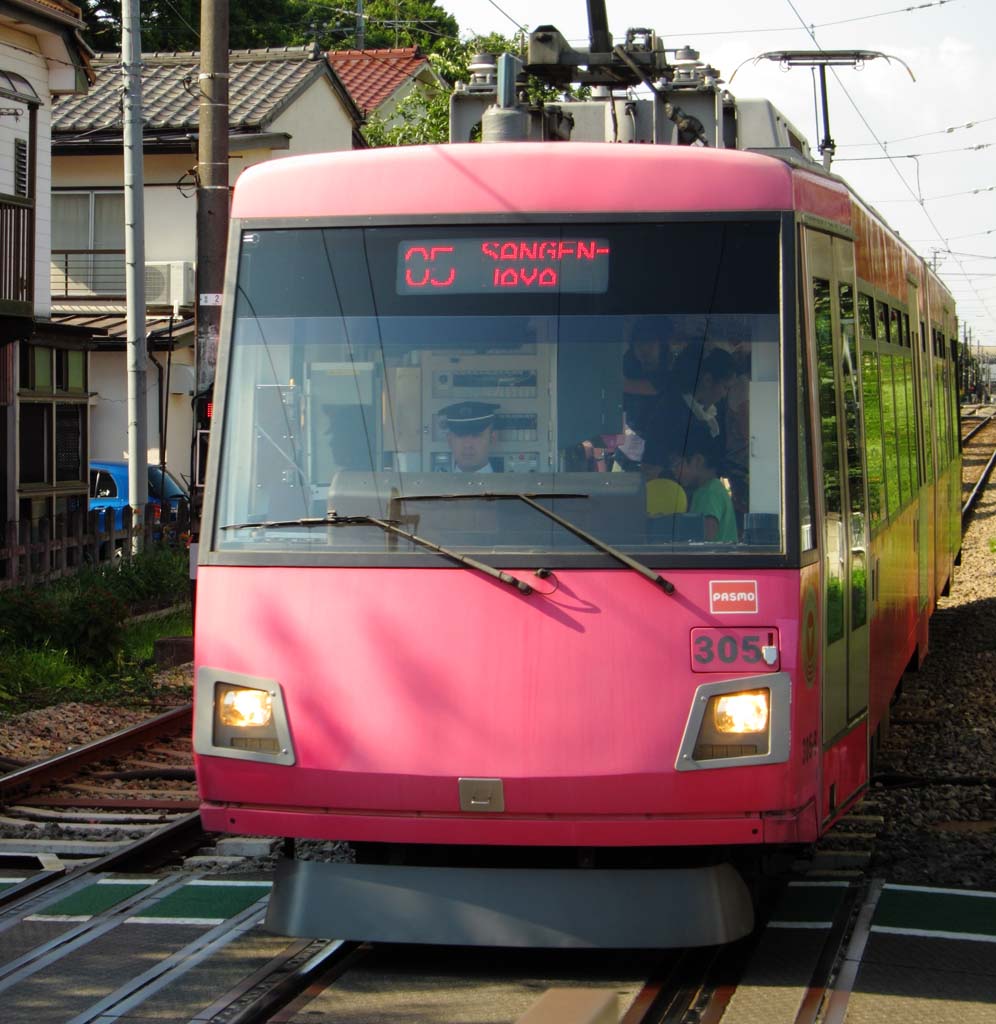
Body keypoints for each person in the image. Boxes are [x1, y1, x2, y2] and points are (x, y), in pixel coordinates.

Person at [640, 346, 738, 479]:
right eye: (725, 387)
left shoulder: (714, 413)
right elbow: (650, 468)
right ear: (708, 380)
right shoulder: (668, 414)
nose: (725, 395)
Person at [669, 426, 737, 542]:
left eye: (676, 464)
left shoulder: (710, 493)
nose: (674, 471)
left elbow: (705, 540)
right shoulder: (708, 490)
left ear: (698, 461)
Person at [439, 401, 500, 473]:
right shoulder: (434, 484)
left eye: (476, 435)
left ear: (492, 439)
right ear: (449, 440)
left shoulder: (511, 484)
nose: (468, 445)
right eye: (460, 435)